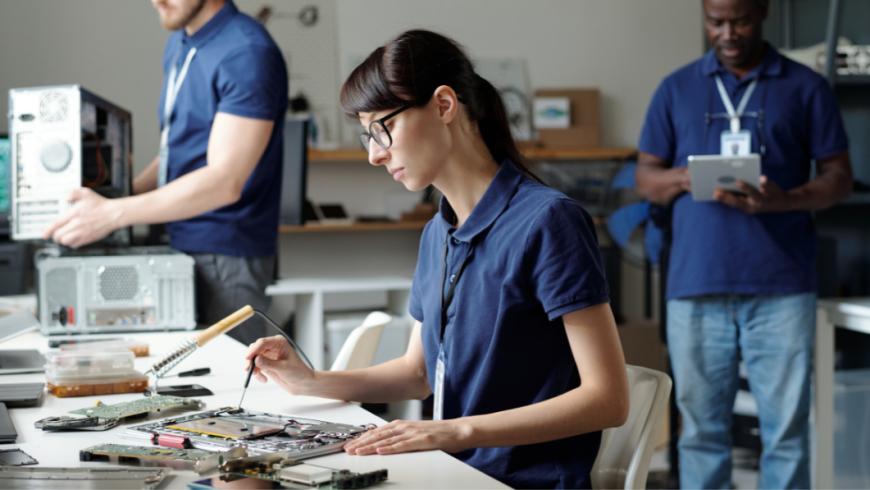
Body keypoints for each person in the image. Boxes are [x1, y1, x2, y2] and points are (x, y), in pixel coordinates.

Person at [244, 29, 629, 489]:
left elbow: (608, 399)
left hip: (518, 481)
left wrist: (451, 431)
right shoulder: (437, 234)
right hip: (447, 471)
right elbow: (417, 373)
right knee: (243, 474)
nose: (373, 153)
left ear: (444, 105)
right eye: (366, 135)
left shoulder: (549, 222)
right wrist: (309, 380)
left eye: (382, 128)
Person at [635, 0, 853, 488]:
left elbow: (839, 178)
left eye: (741, 20)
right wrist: (683, 177)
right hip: (695, 285)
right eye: (716, 22)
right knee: (701, 433)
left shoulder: (806, 87)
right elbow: (645, 178)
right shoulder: (676, 87)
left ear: (764, 12)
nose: (728, 32)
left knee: (787, 433)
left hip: (782, 287)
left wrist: (785, 199)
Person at [42, 0, 289, 345]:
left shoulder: (246, 53)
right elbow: (180, 151)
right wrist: (121, 196)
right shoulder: (181, 42)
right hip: (182, 238)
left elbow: (224, 181)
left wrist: (113, 213)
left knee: (236, 383)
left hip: (227, 252)